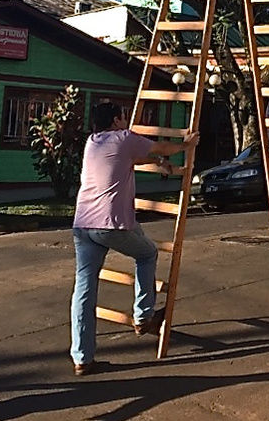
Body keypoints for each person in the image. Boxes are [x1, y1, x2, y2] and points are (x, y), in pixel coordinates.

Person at [69, 101, 199, 376]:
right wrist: (186, 144)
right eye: (123, 117)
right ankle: (144, 316)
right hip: (111, 224)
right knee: (147, 254)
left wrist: (155, 161)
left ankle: (82, 358)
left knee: (84, 288)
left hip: (83, 224)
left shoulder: (94, 142)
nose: (126, 121)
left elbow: (133, 158)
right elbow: (160, 146)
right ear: (116, 120)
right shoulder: (124, 138)